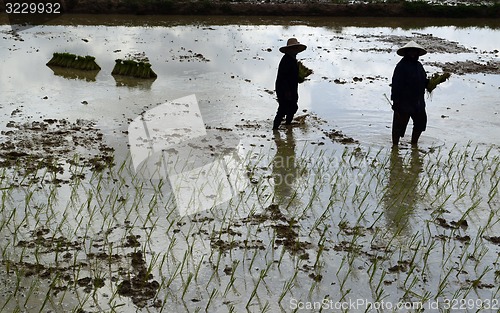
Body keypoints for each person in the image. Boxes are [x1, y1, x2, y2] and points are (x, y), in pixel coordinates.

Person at [390, 41, 429, 146]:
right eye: (410, 51)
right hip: (404, 101)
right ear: (406, 53)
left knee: (420, 123)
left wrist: (431, 83)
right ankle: (395, 147)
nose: (413, 53)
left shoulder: (419, 66)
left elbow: (424, 81)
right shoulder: (401, 66)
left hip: (418, 102)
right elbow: (396, 84)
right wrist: (396, 101)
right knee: (399, 126)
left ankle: (414, 144)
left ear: (417, 53)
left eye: (415, 52)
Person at [273, 38, 307, 130]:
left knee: (292, 106)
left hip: (291, 87)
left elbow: (293, 76)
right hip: (284, 88)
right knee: (283, 108)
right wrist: (287, 92)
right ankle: (275, 128)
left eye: (296, 48)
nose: (295, 50)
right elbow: (283, 78)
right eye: (294, 48)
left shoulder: (293, 60)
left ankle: (288, 124)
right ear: (289, 50)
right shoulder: (286, 60)